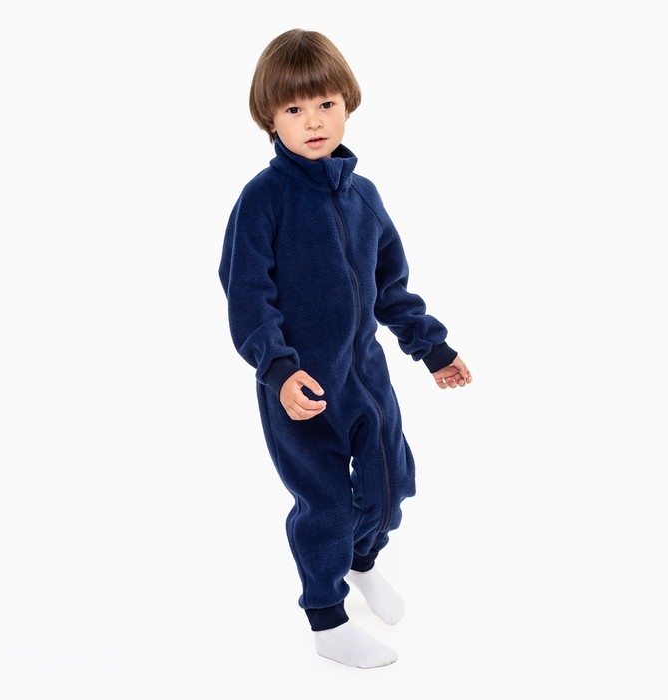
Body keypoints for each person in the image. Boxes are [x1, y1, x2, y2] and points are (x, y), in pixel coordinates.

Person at [218, 28, 472, 669]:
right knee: (327, 503)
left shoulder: (364, 197)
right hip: (301, 387)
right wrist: (279, 370)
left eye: (325, 104)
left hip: (366, 377)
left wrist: (432, 348)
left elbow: (391, 287)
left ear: (348, 104)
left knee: (392, 485)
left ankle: (361, 562)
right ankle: (327, 621)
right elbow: (247, 296)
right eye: (294, 109)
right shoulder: (263, 200)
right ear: (270, 119)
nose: (313, 121)